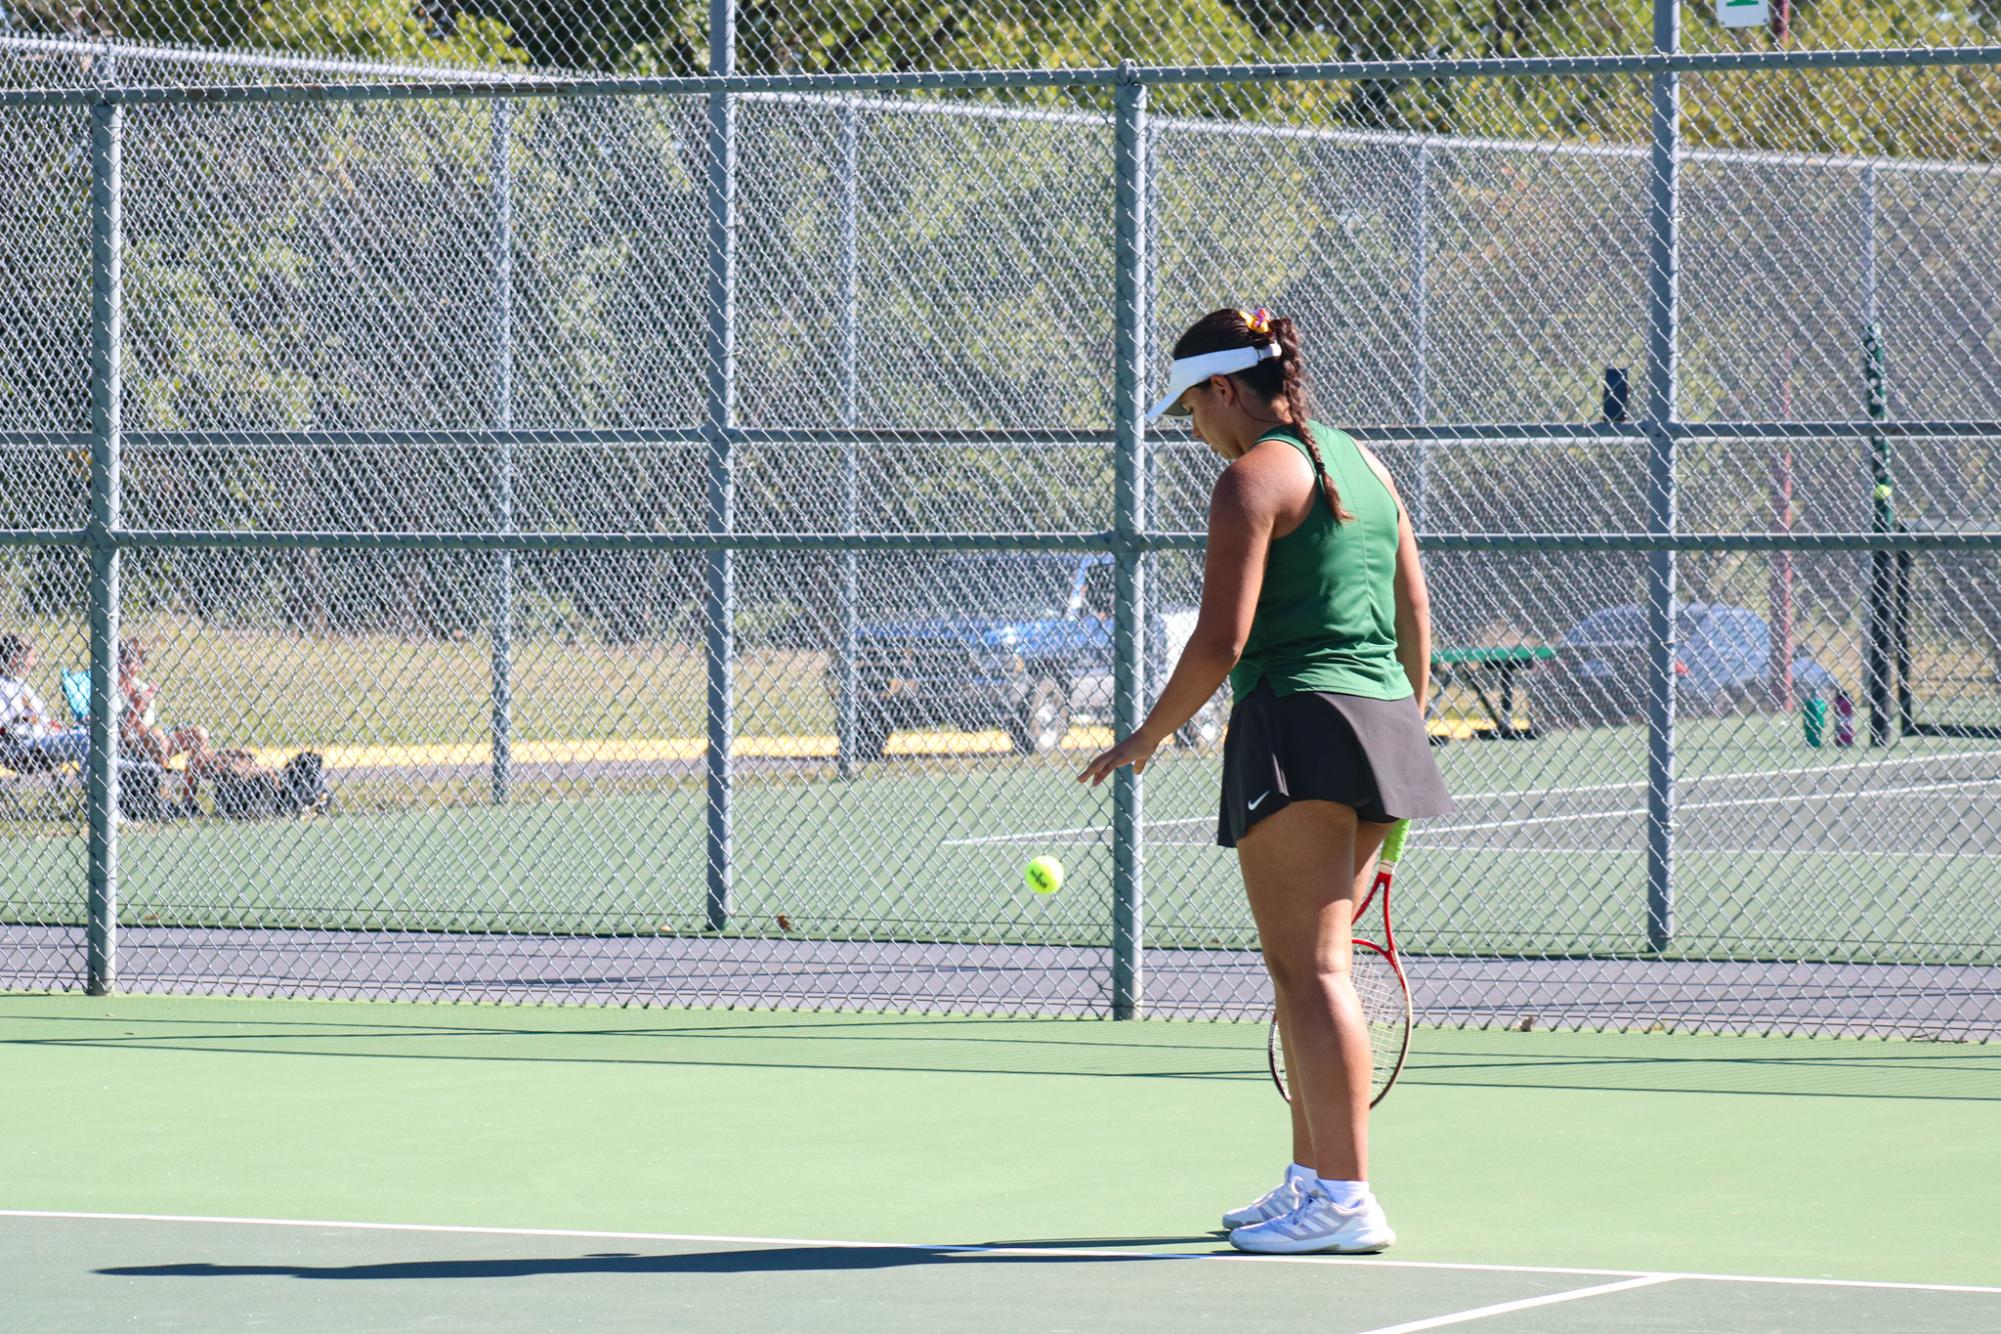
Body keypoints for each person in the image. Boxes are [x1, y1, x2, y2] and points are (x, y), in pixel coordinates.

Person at [1078, 308, 1452, 1255]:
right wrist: (1399, 729)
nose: (1192, 430)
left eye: (1190, 410)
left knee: (1314, 969)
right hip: (1379, 726)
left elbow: (1220, 640)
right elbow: (1414, 611)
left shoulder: (1249, 480)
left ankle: (1347, 1199)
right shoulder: (1365, 465)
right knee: (1299, 970)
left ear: (1224, 391)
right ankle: (1309, 1180)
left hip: (1294, 724)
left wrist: (1144, 737)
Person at [117, 638, 220, 811]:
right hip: (124, 744)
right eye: (121, 660)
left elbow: (144, 727)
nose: (124, 666)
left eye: (130, 661)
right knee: (157, 737)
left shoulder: (142, 687)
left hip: (149, 741)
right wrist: (137, 706)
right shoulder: (109, 689)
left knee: (199, 734)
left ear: (139, 666)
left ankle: (189, 799)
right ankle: (163, 794)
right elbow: (123, 734)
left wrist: (143, 702)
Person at [0, 632, 89, 771]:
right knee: (85, 740)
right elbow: (6, 728)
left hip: (41, 740)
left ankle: (129, 771)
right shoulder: (3, 686)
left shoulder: (18, 683)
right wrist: (32, 721)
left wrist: (52, 726)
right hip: (21, 747)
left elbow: (42, 719)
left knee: (89, 734)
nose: (35, 662)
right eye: (32, 657)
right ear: (16, 657)